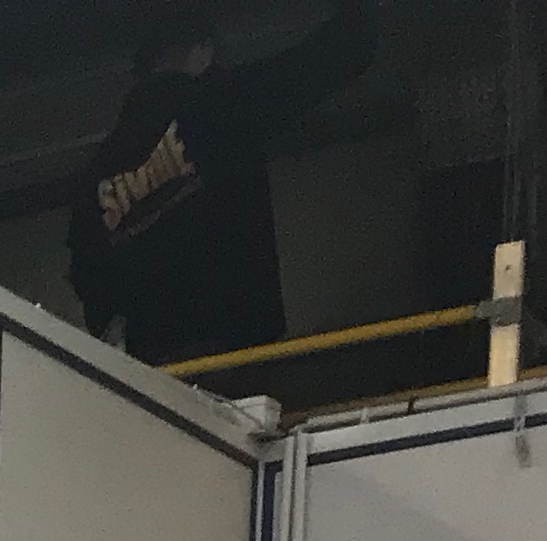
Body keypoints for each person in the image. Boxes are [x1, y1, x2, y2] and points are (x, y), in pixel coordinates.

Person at [69, 12, 378, 371]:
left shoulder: (96, 176)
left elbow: (86, 276)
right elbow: (309, 68)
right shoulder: (218, 104)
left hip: (155, 367)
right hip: (235, 344)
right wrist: (360, 17)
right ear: (201, 51)